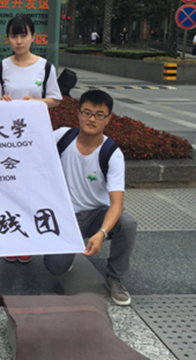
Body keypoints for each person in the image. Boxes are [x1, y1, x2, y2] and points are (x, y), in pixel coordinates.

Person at [44, 90, 137, 306]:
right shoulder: (62, 137)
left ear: (108, 119)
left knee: (127, 223)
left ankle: (115, 277)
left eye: (99, 114)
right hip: (64, 216)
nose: (91, 119)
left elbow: (117, 204)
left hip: (96, 215)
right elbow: (29, 143)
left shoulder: (111, 153)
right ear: (78, 114)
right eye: (87, 112)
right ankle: (68, 251)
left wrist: (102, 233)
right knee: (55, 266)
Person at [0, 15, 62, 264]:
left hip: (35, 138)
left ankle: (29, 238)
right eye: (14, 36)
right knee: (10, 187)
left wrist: (38, 102)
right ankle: (11, 237)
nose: (19, 41)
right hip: (7, 139)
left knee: (31, 189)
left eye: (24, 35)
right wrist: (1, 101)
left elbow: (55, 99)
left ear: (33, 37)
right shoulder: (1, 67)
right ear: (8, 38)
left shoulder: (45, 67)